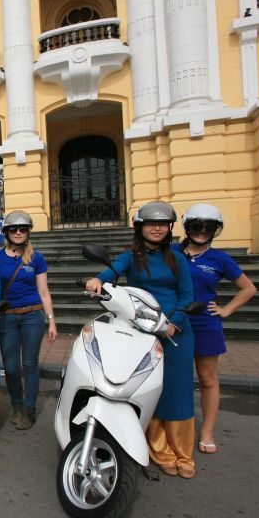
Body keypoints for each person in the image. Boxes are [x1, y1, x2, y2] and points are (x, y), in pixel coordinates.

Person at [85, 201, 196, 478]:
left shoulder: (177, 258)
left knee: (178, 390)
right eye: (150, 223)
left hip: (175, 331)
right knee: (147, 388)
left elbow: (187, 296)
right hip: (141, 330)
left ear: (170, 228)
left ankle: (182, 451)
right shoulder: (131, 256)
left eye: (162, 224)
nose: (156, 228)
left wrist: (174, 323)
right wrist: (98, 281)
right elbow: (111, 272)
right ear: (140, 227)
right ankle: (157, 448)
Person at [177, 203, 256, 456]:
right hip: (175, 321)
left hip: (204, 323)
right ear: (188, 227)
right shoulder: (172, 252)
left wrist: (226, 310)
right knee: (173, 378)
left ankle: (207, 431)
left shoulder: (220, 259)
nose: (202, 231)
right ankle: (172, 427)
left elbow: (248, 288)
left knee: (208, 379)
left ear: (215, 230)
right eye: (197, 226)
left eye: (209, 227)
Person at [0, 210, 57, 430]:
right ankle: (17, 404)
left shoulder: (36, 258)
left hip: (32, 315)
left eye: (23, 229)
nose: (19, 232)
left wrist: (51, 320)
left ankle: (29, 409)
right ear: (6, 232)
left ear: (28, 232)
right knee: (11, 367)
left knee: (30, 365)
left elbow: (44, 291)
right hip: (6, 317)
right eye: (14, 229)